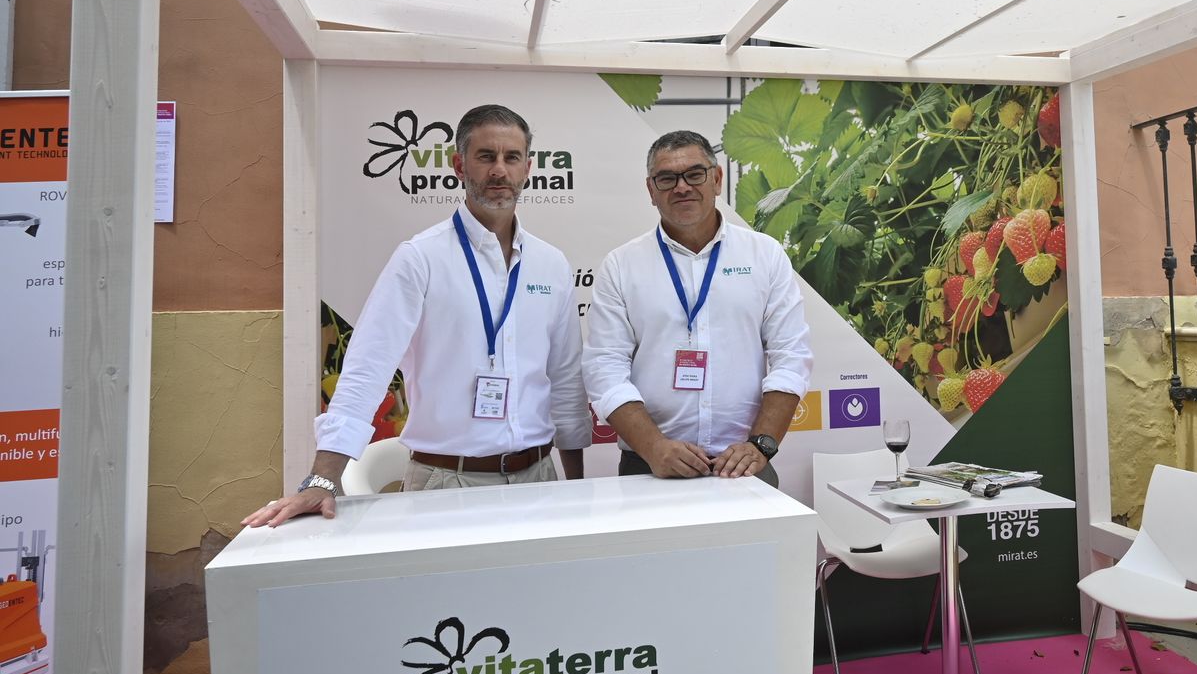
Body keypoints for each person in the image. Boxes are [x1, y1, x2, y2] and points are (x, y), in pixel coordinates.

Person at [243, 104, 590, 527]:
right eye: (486, 157)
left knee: (540, 594)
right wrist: (323, 478)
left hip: (539, 480)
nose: (500, 170)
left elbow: (567, 381)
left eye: (511, 157)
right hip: (446, 483)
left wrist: (577, 488)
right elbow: (367, 370)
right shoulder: (420, 259)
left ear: (528, 168)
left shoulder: (550, 264)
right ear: (460, 166)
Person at [583, 129, 811, 484]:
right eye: (667, 178)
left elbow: (791, 355)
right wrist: (655, 447)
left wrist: (761, 445)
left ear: (717, 179)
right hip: (650, 466)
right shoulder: (621, 265)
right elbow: (604, 369)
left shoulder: (764, 255)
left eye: (694, 174)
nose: (682, 187)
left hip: (743, 465)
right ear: (651, 190)